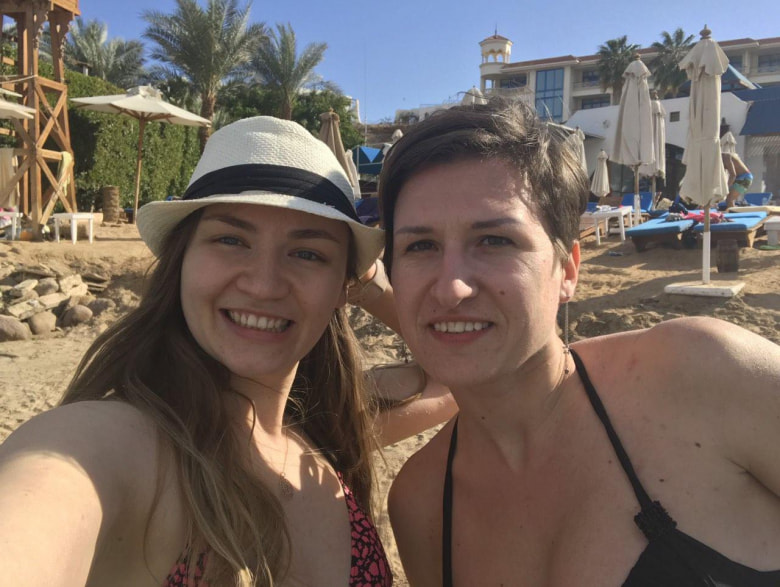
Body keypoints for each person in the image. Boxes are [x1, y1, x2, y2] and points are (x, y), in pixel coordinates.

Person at [0, 116, 456, 586]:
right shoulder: (114, 445)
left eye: (307, 253)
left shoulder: (329, 433)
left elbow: (452, 378)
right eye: (231, 240)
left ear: (344, 286)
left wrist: (363, 276)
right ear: (181, 259)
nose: (263, 285)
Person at [379, 98, 780, 586]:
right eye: (420, 246)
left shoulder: (700, 376)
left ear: (567, 269)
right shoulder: (420, 503)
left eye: (494, 240)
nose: (451, 288)